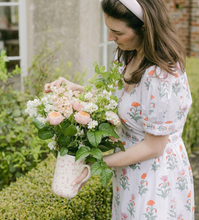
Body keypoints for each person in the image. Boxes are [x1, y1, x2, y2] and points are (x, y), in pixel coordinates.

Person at [44, 0, 195, 219]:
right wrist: (76, 90)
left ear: (144, 29)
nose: (110, 38)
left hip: (154, 176)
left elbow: (154, 147)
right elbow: (126, 103)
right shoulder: (129, 54)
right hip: (128, 171)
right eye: (108, 29)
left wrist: (94, 162)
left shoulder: (162, 75)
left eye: (117, 32)